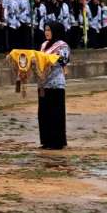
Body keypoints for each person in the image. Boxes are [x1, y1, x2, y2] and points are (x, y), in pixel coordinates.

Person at [39, 21, 71, 150]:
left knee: (55, 113)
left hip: (56, 84)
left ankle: (57, 141)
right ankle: (46, 140)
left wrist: (52, 58)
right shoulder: (44, 45)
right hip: (43, 83)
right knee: (44, 113)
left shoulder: (63, 46)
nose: (47, 32)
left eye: (49, 30)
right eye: (45, 30)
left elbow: (64, 60)